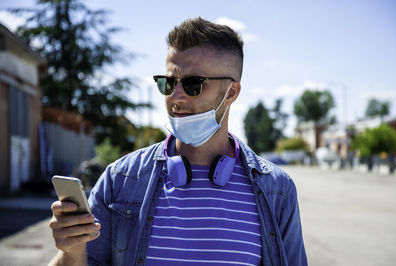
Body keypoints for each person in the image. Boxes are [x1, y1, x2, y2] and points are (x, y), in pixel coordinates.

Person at [49, 17, 307, 266]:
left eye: (193, 84)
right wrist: (71, 253)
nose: (176, 96)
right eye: (169, 83)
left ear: (231, 93)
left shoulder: (277, 190)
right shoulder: (120, 179)